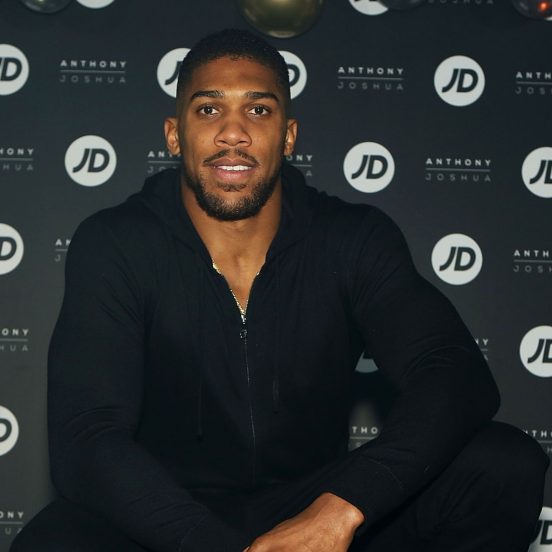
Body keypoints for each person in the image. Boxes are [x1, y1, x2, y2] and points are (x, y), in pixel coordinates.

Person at [11, 28, 548, 552]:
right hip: (168, 518)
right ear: (174, 135)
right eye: (209, 109)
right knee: (53, 543)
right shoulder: (117, 243)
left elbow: (453, 372)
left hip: (316, 513)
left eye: (258, 110)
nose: (233, 133)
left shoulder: (351, 238)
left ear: (288, 136)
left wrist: (343, 507)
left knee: (502, 463)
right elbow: (87, 436)